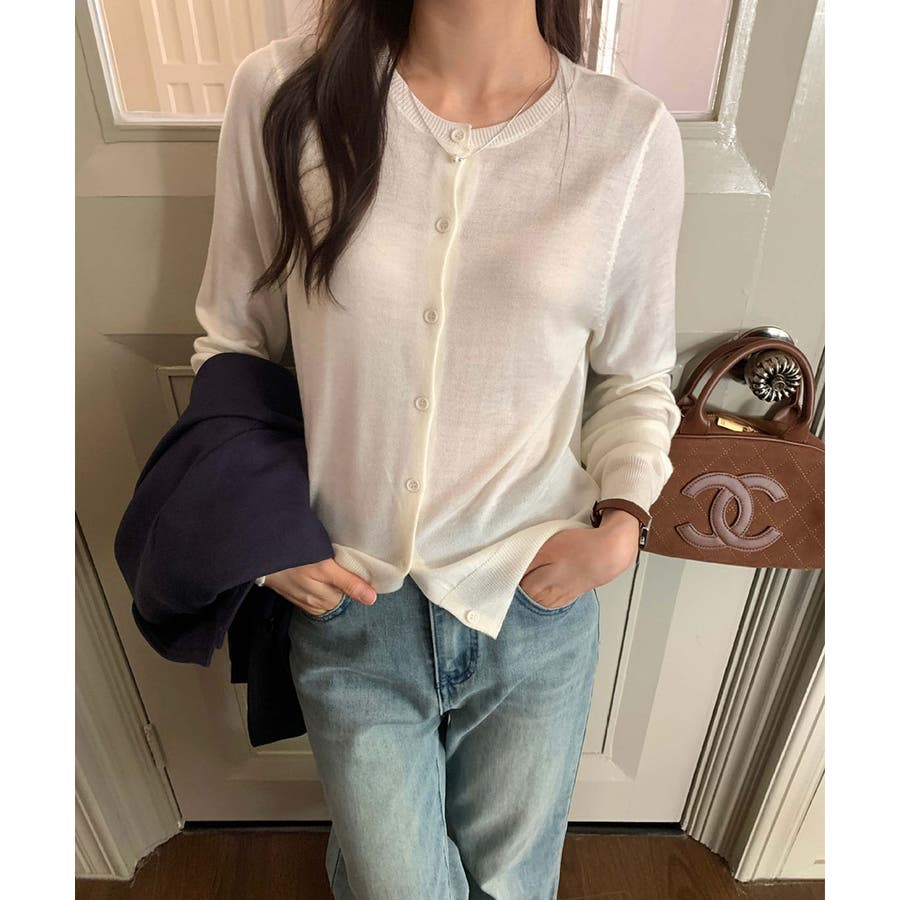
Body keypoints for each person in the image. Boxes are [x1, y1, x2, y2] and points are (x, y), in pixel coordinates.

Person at [190, 2, 685, 897]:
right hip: (352, 601)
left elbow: (635, 376)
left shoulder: (628, 136)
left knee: (512, 886)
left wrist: (622, 527)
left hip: (534, 600)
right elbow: (235, 347)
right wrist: (268, 539)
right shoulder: (285, 96)